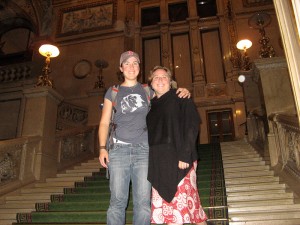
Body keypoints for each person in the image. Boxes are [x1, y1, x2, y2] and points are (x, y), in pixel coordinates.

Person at [98, 51, 190, 225]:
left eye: (135, 63)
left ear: (139, 68)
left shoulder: (148, 90)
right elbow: (104, 123)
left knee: (143, 204)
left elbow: (167, 94)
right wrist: (102, 148)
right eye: (127, 63)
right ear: (121, 67)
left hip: (144, 151)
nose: (131, 67)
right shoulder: (113, 91)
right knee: (117, 202)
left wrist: (181, 90)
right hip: (118, 151)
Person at [146, 65, 208, 225]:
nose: (160, 80)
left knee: (190, 207)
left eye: (164, 77)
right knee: (166, 213)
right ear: (151, 83)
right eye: (156, 77)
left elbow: (192, 125)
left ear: (170, 81)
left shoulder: (180, 97)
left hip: (181, 159)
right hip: (159, 164)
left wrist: (185, 154)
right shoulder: (149, 106)